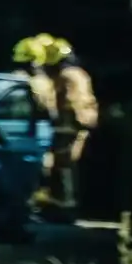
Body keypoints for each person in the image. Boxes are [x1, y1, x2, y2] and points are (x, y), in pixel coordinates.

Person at [49, 40, 98, 209]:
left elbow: (66, 100)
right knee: (73, 164)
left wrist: (56, 118)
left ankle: (63, 204)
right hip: (84, 122)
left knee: (63, 164)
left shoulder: (65, 75)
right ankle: (72, 202)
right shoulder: (81, 74)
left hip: (68, 125)